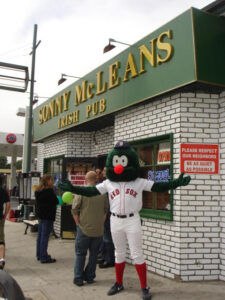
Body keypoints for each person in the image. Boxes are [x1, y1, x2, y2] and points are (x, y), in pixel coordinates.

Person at [59, 141, 191, 300]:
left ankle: (144, 286)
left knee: (137, 254)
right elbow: (91, 191)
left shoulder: (138, 182)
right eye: (117, 162)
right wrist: (73, 188)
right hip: (115, 220)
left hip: (132, 220)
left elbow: (158, 187)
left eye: (123, 161)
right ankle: (118, 283)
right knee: (118, 253)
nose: (120, 166)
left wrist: (176, 183)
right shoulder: (108, 183)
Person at [71, 171, 108, 286]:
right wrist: (100, 223)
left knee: (80, 254)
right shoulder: (102, 193)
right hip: (98, 230)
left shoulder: (82, 192)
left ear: (86, 179)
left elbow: (74, 210)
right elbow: (105, 211)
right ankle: (90, 277)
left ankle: (78, 278)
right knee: (94, 254)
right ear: (96, 179)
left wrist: (78, 224)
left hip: (84, 229)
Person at [35, 174, 58, 264]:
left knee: (40, 236)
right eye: (51, 180)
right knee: (45, 236)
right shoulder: (49, 191)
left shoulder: (38, 191)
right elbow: (55, 201)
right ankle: (44, 257)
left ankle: (39, 254)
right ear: (47, 181)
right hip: (48, 216)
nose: (52, 182)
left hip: (41, 216)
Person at [99, 166, 115, 269]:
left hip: (109, 213)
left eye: (105, 170)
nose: (103, 172)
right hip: (103, 212)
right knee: (104, 236)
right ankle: (104, 256)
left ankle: (110, 259)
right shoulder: (104, 182)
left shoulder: (111, 183)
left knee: (108, 237)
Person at [0, 176, 10, 270]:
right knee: (1, 240)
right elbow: (8, 204)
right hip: (0, 217)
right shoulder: (3, 191)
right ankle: (1, 259)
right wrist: (5, 214)